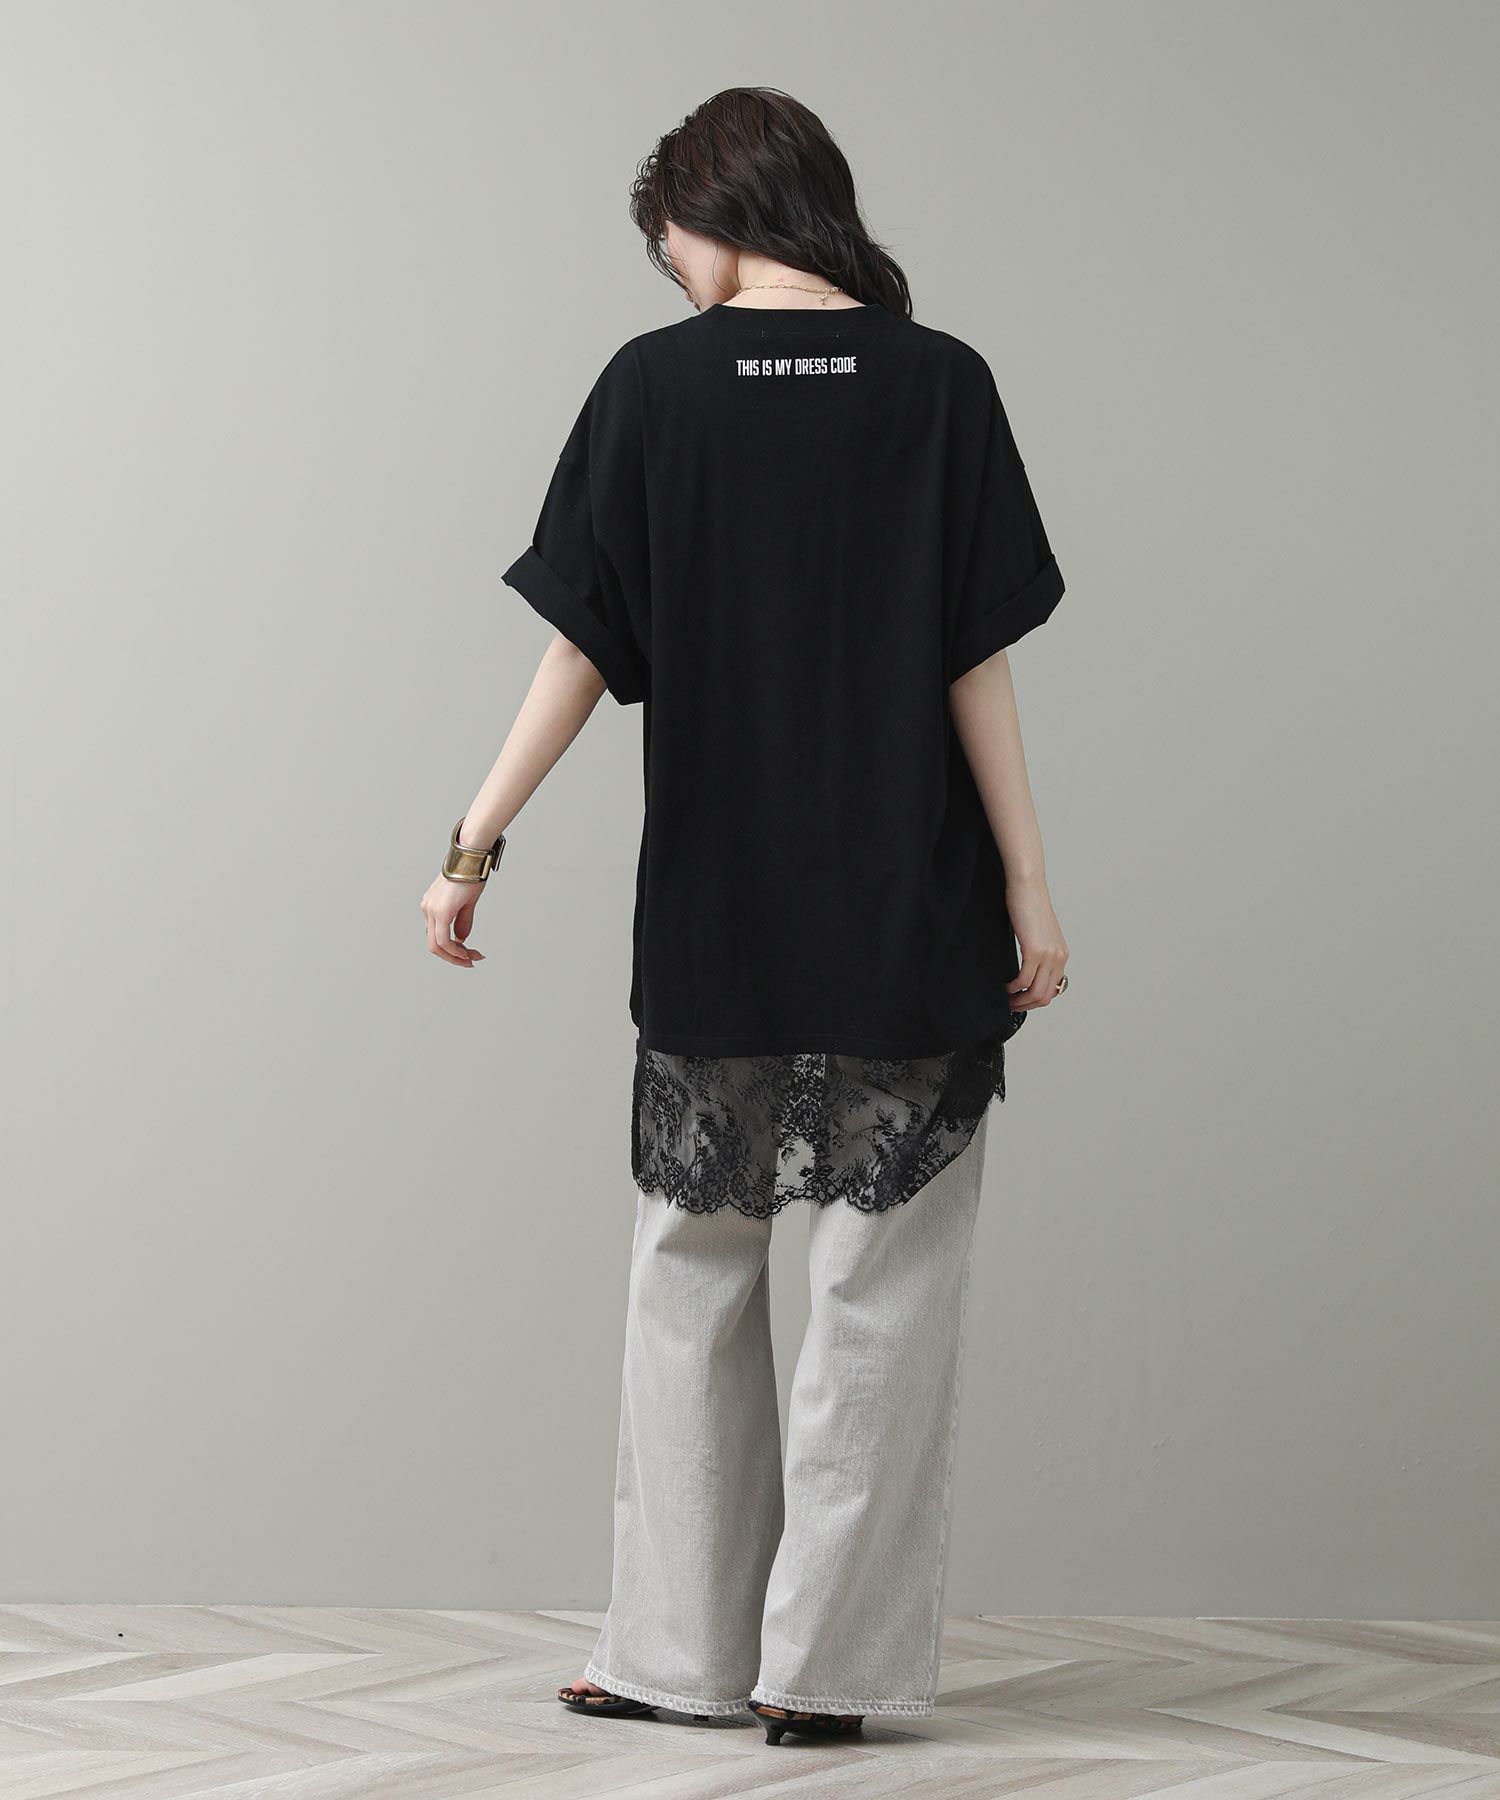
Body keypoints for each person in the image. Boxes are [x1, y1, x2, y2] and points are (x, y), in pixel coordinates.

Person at [420, 87, 1070, 1744]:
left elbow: (580, 648)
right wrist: (1028, 886)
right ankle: (825, 1679)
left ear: (709, 217)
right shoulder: (941, 385)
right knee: (883, 1294)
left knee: (687, 1280)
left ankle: (675, 1657)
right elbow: (975, 662)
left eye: (671, 245)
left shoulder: (654, 389)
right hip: (909, 911)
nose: (676, 276)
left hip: (719, 912)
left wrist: (472, 846)